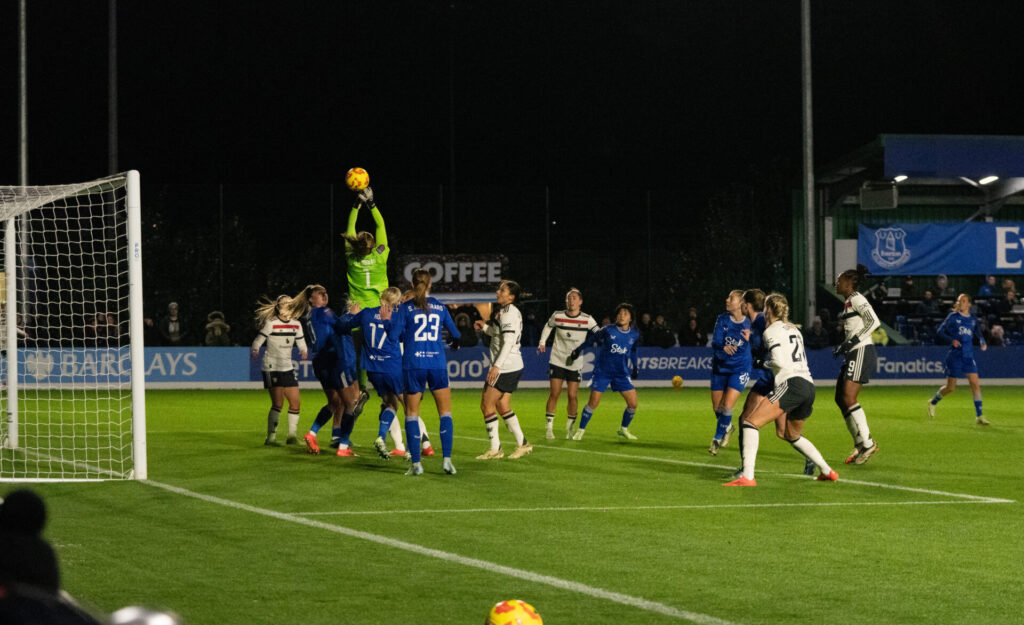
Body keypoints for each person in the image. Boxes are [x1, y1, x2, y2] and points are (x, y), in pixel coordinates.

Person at [724, 293, 838, 486]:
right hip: (808, 386)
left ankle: (748, 477)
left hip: (790, 384)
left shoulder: (771, 331)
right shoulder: (794, 330)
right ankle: (828, 471)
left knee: (750, 422)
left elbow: (778, 361)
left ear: (768, 309)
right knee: (791, 435)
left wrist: (761, 362)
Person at [383, 268, 460, 475]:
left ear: (412, 284)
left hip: (413, 365)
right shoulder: (440, 307)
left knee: (411, 415)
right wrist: (454, 343)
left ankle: (416, 464)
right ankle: (447, 461)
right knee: (445, 413)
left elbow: (393, 337)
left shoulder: (405, 308)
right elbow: (456, 334)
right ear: (430, 284)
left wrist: (386, 322)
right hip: (437, 364)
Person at [336, 286, 409, 459]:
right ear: (396, 302)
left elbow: (343, 326)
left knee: (390, 404)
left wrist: (351, 314)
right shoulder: (398, 316)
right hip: (392, 368)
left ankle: (376, 439)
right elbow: (404, 337)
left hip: (373, 370)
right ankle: (411, 450)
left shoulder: (366, 314)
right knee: (409, 407)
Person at [290, 284, 362, 457]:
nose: (324, 294)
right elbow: (343, 327)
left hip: (319, 362)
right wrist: (353, 315)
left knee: (334, 402)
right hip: (333, 360)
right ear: (310, 299)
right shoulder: (324, 312)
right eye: (319, 293)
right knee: (351, 402)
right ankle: (343, 447)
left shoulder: (310, 315)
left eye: (325, 291)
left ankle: (312, 433)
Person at [342, 184, 389, 415]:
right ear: (372, 245)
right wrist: (371, 203)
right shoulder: (381, 256)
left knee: (359, 355)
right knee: (380, 353)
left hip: (357, 314)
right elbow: (381, 224)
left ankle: (361, 390)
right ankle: (387, 391)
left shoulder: (351, 258)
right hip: (380, 314)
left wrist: (356, 204)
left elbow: (350, 227)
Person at [474, 280, 532, 460]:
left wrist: (496, 366)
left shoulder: (509, 313)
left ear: (511, 297)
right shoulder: (505, 312)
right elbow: (498, 335)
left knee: (486, 405)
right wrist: (484, 327)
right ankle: (523, 444)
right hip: (512, 365)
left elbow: (508, 342)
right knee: (502, 405)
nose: (498, 292)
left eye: (503, 290)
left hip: (506, 366)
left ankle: (495, 449)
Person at [570, 303, 640, 441]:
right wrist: (578, 349)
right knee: (593, 402)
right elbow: (591, 339)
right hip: (603, 372)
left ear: (630, 318)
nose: (621, 316)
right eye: (620, 313)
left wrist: (635, 366)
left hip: (621, 373)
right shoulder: (608, 329)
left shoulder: (634, 334)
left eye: (625, 314)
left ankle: (623, 429)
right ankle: (580, 430)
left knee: (633, 404)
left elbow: (633, 351)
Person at [834, 265, 881, 465]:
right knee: (840, 398)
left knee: (849, 397)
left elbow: (874, 322)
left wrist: (853, 342)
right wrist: (844, 345)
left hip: (861, 350)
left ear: (849, 283)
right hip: (853, 351)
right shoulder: (848, 302)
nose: (836, 283)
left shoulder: (857, 298)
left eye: (839, 280)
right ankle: (859, 443)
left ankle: (868, 443)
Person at [538, 287, 598, 439]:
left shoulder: (587, 319)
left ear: (580, 302)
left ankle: (569, 428)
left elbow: (599, 333)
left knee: (572, 395)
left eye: (574, 298)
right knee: (555, 393)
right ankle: (549, 428)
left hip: (575, 363)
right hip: (557, 359)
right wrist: (542, 342)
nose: (571, 301)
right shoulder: (557, 315)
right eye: (569, 298)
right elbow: (548, 326)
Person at [251, 295, 308, 445]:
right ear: (279, 306)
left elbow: (301, 341)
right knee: (278, 403)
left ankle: (292, 437)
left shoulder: (296, 324)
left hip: (287, 367)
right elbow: (259, 340)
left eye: (290, 303)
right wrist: (255, 348)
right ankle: (271, 437)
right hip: (272, 366)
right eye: (285, 303)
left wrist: (304, 350)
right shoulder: (271, 323)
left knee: (296, 403)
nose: (288, 305)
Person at [927, 293, 989, 425]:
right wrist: (952, 340)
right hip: (955, 356)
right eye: (960, 301)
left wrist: (982, 341)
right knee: (951, 388)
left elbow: (978, 332)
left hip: (968, 355)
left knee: (975, 384)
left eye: (964, 301)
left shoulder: (972, 319)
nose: (961, 303)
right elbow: (940, 331)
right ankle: (933, 402)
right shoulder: (953, 317)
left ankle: (979, 416)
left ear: (969, 304)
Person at [707, 290, 751, 455]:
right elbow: (716, 342)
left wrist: (751, 338)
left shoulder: (750, 323)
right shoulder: (722, 319)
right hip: (720, 367)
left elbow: (759, 341)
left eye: (731, 298)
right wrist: (722, 346)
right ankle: (727, 426)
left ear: (741, 303)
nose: (727, 300)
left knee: (727, 406)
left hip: (740, 369)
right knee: (717, 408)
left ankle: (717, 439)